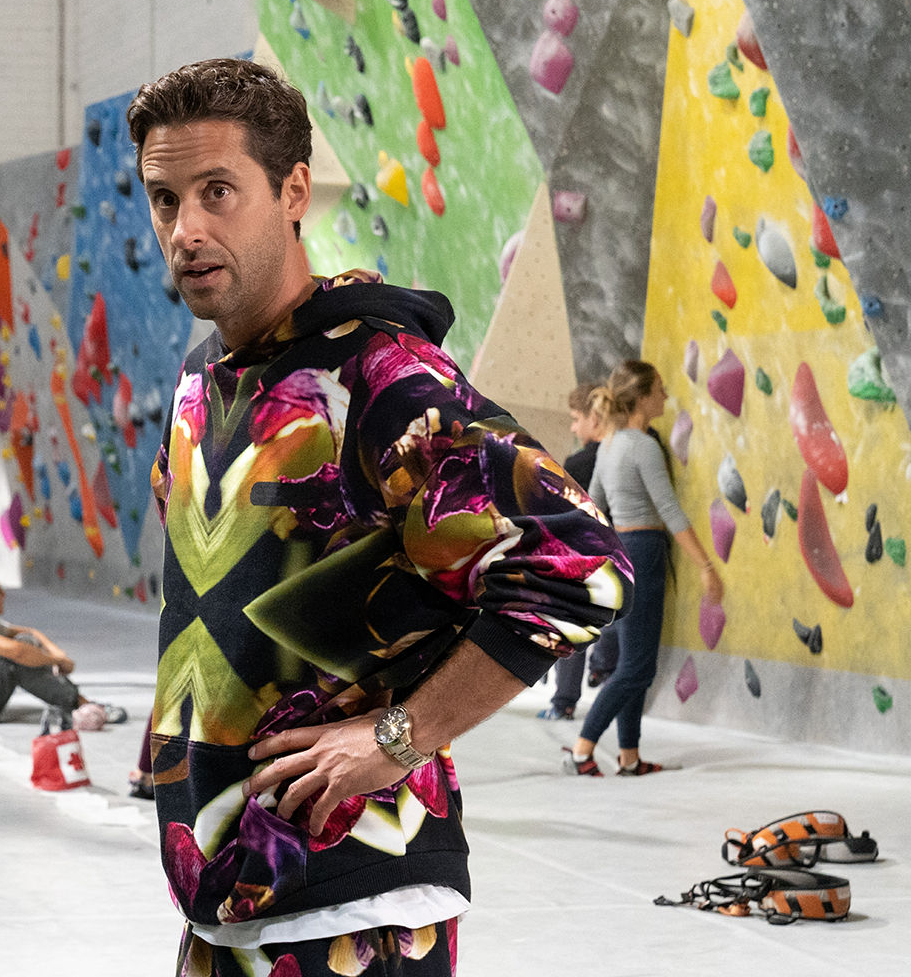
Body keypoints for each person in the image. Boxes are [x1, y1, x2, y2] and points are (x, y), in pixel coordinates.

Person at [131, 58, 628, 976]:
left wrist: (399, 736)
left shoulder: (381, 375)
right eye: (165, 199)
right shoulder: (203, 379)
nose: (186, 229)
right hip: (230, 896)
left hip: (355, 910)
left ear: (293, 192)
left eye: (217, 192)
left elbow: (579, 562)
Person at [567, 361, 724, 777]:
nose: (665, 396)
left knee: (631, 662)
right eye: (659, 389)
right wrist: (706, 565)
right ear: (640, 398)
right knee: (638, 667)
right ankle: (582, 750)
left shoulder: (609, 445)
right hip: (644, 551)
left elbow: (593, 506)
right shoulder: (643, 445)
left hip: (621, 553)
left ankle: (629, 757)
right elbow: (670, 512)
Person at [0, 566, 128, 726]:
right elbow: (16, 652)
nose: (3, 595)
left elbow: (29, 634)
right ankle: (80, 704)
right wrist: (55, 660)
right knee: (12, 660)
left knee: (25, 644)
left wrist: (59, 656)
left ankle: (79, 702)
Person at [539, 381, 617, 720]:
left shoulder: (581, 461)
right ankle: (604, 671)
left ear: (594, 418)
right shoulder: (624, 448)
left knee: (572, 620)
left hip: (584, 551)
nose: (573, 427)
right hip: (623, 549)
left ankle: (564, 701)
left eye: (576, 418)